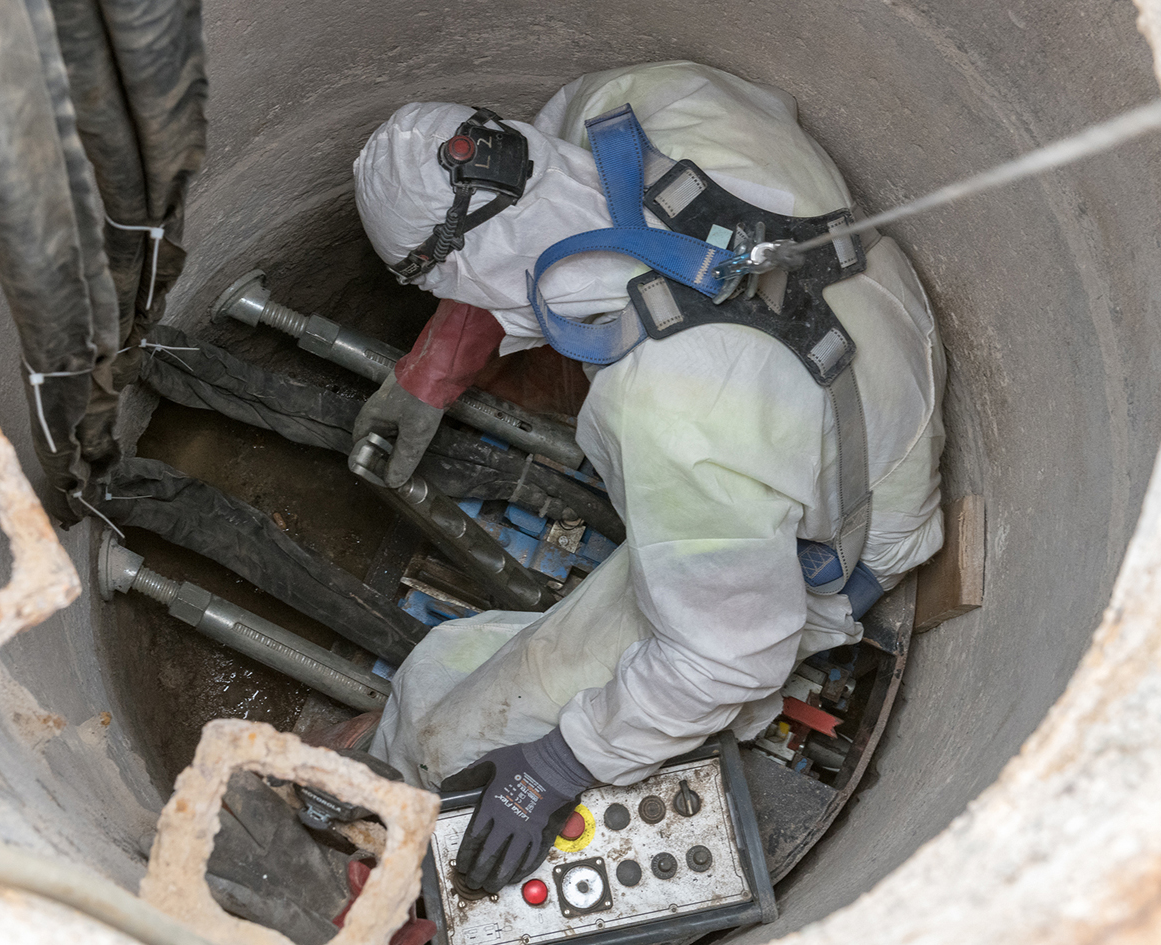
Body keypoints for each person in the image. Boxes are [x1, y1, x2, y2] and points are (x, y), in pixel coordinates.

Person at [349, 61, 946, 894]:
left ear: (450, 276)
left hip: (842, 540)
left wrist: (561, 764)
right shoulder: (640, 102)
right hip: (882, 370)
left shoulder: (667, 408)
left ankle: (389, 838)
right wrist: (431, 373)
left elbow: (730, 656)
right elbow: (518, 220)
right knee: (465, 663)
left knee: (446, 728)